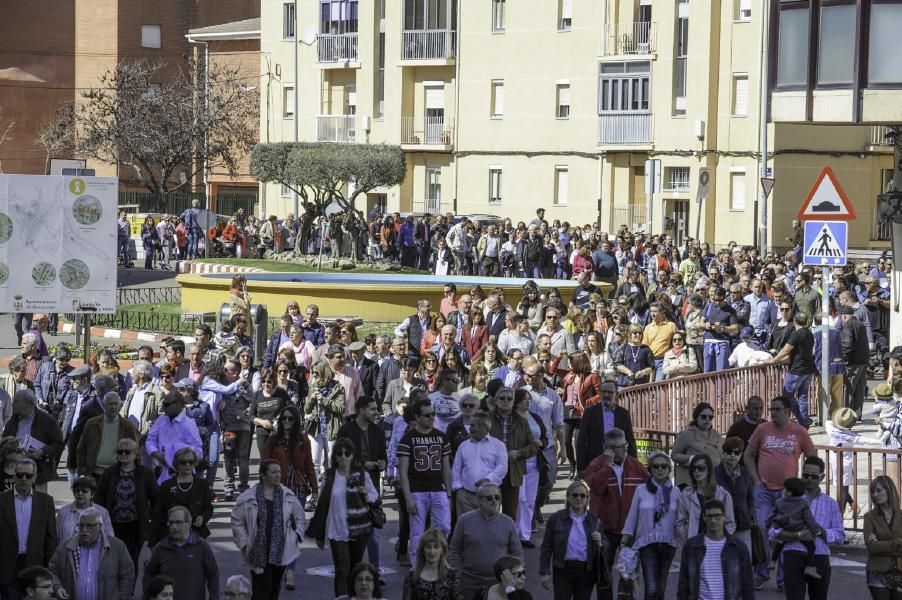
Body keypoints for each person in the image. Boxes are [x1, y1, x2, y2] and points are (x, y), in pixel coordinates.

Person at [744, 395, 817, 588]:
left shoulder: (799, 432)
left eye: (776, 409)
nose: (772, 413)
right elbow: (748, 455)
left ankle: (782, 579)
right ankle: (762, 572)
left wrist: (803, 482)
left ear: (787, 412)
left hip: (788, 495)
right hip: (764, 491)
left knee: (784, 534)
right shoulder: (763, 429)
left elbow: (812, 457)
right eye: (772, 409)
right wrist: (756, 480)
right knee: (762, 529)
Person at [305, 438, 379, 597]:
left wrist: (367, 494)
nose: (344, 457)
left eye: (348, 453)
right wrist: (319, 533)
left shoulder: (361, 474)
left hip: (359, 531)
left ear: (353, 455)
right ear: (335, 457)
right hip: (337, 532)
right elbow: (323, 505)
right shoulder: (330, 476)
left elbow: (375, 498)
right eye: (340, 453)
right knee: (342, 570)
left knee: (354, 570)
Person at [768, 456, 844, 600]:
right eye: (805, 475)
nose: (809, 479)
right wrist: (796, 535)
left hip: (819, 557)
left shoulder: (831, 504)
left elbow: (840, 536)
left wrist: (820, 531)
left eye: (814, 476)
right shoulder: (785, 500)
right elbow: (772, 531)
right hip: (793, 554)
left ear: (822, 477)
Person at [585, 428, 647, 600]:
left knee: (628, 573)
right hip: (605, 529)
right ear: (608, 448)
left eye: (625, 445)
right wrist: (606, 467)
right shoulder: (596, 465)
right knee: (604, 573)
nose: (625, 450)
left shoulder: (635, 465)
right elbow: (596, 487)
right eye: (620, 447)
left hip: (629, 530)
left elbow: (649, 488)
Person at [231, 458, 305, 600]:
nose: (278, 475)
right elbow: (237, 521)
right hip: (257, 552)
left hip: (280, 551)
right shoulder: (248, 498)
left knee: (274, 590)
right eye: (273, 472)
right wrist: (244, 543)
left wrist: (296, 536)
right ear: (263, 475)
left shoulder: (287, 495)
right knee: (260, 592)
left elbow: (300, 516)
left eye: (279, 472)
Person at [399, 397, 453, 564]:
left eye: (433, 414)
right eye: (427, 415)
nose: (432, 417)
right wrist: (407, 498)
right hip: (417, 491)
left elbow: (446, 468)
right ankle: (416, 569)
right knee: (417, 531)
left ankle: (437, 561)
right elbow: (403, 471)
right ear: (416, 418)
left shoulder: (441, 437)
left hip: (438, 490)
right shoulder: (407, 439)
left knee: (445, 526)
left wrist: (449, 494)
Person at [621, 451, 680, 600]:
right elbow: (632, 516)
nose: (660, 469)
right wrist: (625, 540)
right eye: (656, 466)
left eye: (664, 466)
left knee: (661, 588)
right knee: (651, 589)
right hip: (647, 544)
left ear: (668, 469)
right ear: (650, 469)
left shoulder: (676, 492)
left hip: (668, 544)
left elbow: (681, 519)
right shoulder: (641, 490)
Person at [449, 483, 523, 600]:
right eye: (489, 498)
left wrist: (515, 577)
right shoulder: (464, 521)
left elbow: (517, 553)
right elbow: (454, 550)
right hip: (470, 584)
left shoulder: (508, 522)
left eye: (497, 497)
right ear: (479, 501)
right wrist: (458, 575)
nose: (494, 501)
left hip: (499, 584)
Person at [94, 437, 158, 569]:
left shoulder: (145, 473)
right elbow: (99, 496)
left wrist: (152, 520)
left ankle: (129, 590)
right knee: (113, 561)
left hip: (135, 526)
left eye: (127, 452)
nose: (123, 454)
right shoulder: (110, 473)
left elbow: (155, 499)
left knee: (131, 562)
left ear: (135, 454)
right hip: (113, 525)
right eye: (120, 451)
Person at [0, 457, 57, 600]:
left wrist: (50, 568)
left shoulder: (46, 501)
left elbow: (51, 538)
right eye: (20, 475)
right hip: (7, 565)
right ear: (14, 477)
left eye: (28, 475)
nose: (24, 478)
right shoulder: (2, 500)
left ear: (35, 477)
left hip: (35, 563)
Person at [47, 507, 134, 600]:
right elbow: (52, 570)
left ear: (100, 526)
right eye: (81, 525)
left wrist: (122, 597)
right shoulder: (65, 547)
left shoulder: (117, 546)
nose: (84, 530)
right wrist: (57, 587)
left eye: (89, 525)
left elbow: (127, 575)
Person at [676, 498, 755, 600]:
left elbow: (747, 583)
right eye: (709, 516)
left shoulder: (738, 547)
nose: (713, 520)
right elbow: (683, 582)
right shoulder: (691, 546)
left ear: (724, 517)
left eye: (717, 516)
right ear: (704, 517)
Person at [539, 480, 605, 600]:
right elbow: (547, 547)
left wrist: (600, 542)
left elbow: (606, 547)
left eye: (582, 495)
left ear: (587, 499)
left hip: (586, 571)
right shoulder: (556, 519)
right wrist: (545, 572)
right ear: (568, 497)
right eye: (575, 495)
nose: (578, 498)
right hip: (562, 570)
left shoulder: (594, 520)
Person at [145, 506, 220, 600]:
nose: (174, 526)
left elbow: (213, 575)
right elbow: (149, 573)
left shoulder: (202, 546)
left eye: (178, 522)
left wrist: (214, 597)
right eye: (171, 522)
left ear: (188, 523)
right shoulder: (161, 548)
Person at [1, 390, 64, 490]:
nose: (12, 404)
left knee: (38, 503)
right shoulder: (13, 421)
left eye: (16, 401)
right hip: (15, 474)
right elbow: (4, 442)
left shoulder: (47, 421)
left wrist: (43, 451)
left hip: (38, 473)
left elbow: (59, 445)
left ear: (27, 403)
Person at [450, 412, 508, 517]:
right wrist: (459, 489)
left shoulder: (498, 445)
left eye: (473, 425)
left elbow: (502, 467)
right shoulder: (464, 445)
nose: (470, 429)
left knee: (489, 528)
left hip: (490, 497)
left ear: (484, 427)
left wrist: (488, 480)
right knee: (467, 529)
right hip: (466, 496)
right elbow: (456, 468)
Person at [766, 477, 823, 580]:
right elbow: (808, 518)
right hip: (799, 529)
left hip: (784, 528)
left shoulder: (779, 502)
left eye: (784, 489)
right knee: (811, 547)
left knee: (779, 544)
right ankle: (810, 567)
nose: (782, 490)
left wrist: (768, 524)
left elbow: (772, 515)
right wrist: (816, 530)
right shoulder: (803, 503)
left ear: (789, 493)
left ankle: (773, 561)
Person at [575, 380, 636, 476]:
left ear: (616, 394)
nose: (606, 395)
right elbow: (581, 441)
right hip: (595, 463)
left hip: (618, 463)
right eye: (604, 392)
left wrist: (634, 465)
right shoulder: (590, 413)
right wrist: (581, 468)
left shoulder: (623, 414)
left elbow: (630, 440)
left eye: (610, 392)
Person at [153, 447, 213, 544]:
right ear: (177, 464)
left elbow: (208, 508)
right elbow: (158, 513)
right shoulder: (167, 485)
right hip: (171, 535)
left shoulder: (202, 484)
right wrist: (154, 540)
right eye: (183, 462)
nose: (187, 464)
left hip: (196, 534)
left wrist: (203, 518)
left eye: (191, 461)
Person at [768, 312, 816, 428]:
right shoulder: (809, 334)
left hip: (797, 370)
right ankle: (804, 423)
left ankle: (802, 421)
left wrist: (773, 361)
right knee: (803, 397)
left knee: (787, 395)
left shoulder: (796, 334)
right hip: (808, 369)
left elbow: (786, 350)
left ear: (794, 321)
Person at [76, 392, 139, 478]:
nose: (113, 407)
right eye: (110, 404)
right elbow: (81, 449)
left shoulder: (127, 427)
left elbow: (136, 451)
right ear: (103, 405)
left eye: (116, 404)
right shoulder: (91, 424)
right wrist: (82, 470)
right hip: (94, 473)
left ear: (120, 406)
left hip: (118, 474)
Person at [676, 454, 736, 543]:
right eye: (693, 468)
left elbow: (730, 523)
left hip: (717, 544)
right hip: (694, 544)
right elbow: (680, 522)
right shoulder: (686, 494)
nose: (696, 471)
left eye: (701, 468)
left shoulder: (723, 494)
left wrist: (721, 540)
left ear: (708, 470)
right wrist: (688, 536)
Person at [714, 437, 756, 552]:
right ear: (723, 453)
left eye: (736, 452)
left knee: (745, 560)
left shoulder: (745, 473)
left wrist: (750, 515)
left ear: (741, 454)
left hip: (743, 523)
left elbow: (750, 498)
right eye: (729, 452)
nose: (733, 455)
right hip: (723, 525)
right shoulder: (715, 473)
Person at [863, 476, 902, 599]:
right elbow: (872, 547)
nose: (875, 494)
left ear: (889, 490)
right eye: (873, 491)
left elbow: (878, 546)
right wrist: (897, 542)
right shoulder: (869, 517)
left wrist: (882, 544)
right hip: (877, 572)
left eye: (879, 490)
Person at [671, 402, 724, 489]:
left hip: (712, 481)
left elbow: (721, 456)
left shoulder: (717, 436)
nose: (707, 419)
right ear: (696, 417)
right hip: (690, 481)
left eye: (710, 417)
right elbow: (674, 455)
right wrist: (691, 458)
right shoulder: (686, 434)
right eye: (703, 416)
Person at [402, 528, 462, 600]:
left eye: (436, 547)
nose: (432, 551)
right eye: (428, 547)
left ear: (442, 550)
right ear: (423, 550)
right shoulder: (411, 577)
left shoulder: (452, 576)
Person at [55, 476, 114, 543]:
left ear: (92, 494)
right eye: (77, 490)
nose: (80, 493)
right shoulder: (63, 512)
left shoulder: (102, 512)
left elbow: (110, 537)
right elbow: (56, 537)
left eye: (84, 491)